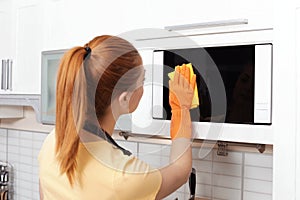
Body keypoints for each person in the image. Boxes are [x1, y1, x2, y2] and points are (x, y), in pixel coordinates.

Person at [38, 35, 196, 200]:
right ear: (125, 98)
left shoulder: (54, 141)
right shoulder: (125, 175)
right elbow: (180, 170)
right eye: (142, 80)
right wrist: (181, 108)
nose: (144, 88)